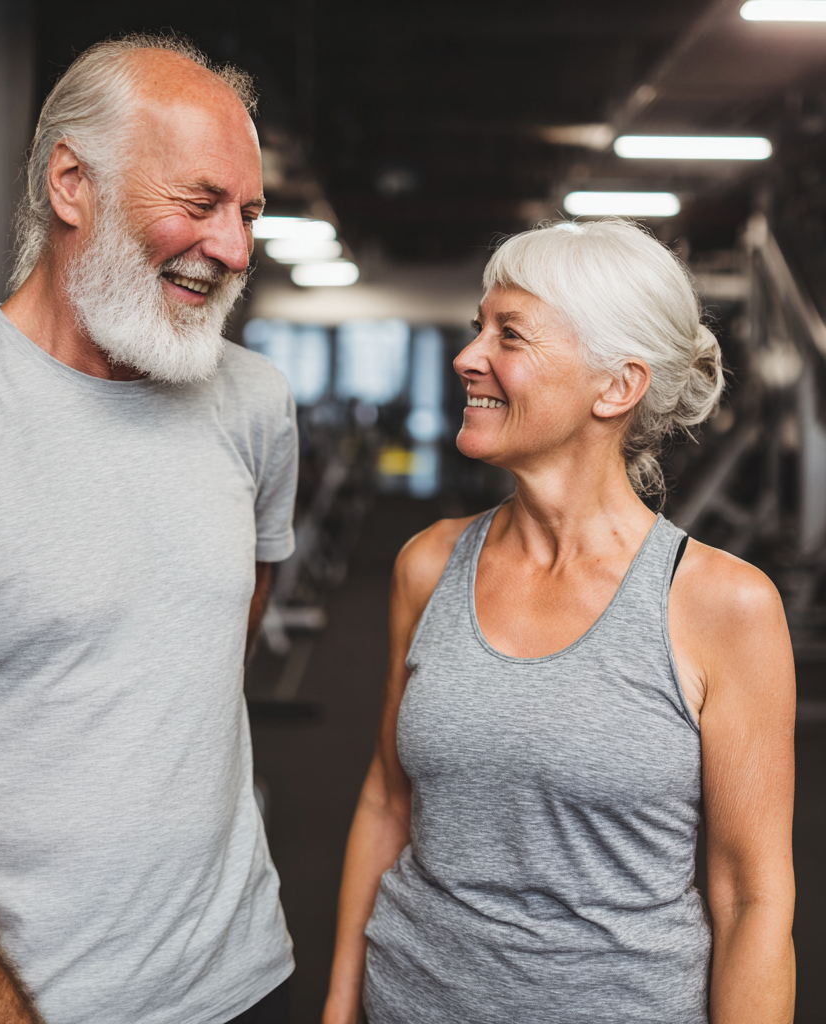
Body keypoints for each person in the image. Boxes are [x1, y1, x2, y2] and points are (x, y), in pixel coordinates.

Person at [0, 35, 298, 1024]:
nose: (236, 248)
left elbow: (214, 648)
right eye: (199, 202)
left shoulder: (255, 403)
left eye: (249, 213)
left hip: (245, 982)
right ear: (72, 184)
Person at [323, 219, 796, 1024]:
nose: (469, 355)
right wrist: (338, 1009)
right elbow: (387, 804)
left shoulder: (724, 605)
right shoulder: (428, 566)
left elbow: (751, 898)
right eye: (479, 326)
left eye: (509, 334)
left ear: (616, 387)